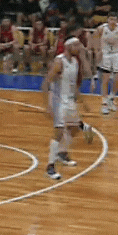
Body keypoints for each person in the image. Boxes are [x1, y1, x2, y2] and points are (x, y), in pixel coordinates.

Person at [42, 37, 94, 181]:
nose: (79, 47)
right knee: (58, 133)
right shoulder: (59, 62)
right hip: (58, 101)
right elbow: (46, 83)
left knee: (75, 128)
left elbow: (73, 85)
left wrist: (83, 101)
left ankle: (62, 153)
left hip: (69, 100)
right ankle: (50, 167)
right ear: (68, 46)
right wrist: (48, 105)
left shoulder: (75, 62)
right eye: (76, 45)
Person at [93, 13, 118, 114]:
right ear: (107, 20)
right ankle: (104, 103)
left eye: (115, 19)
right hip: (105, 54)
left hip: (117, 53)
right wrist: (97, 51)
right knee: (105, 78)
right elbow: (94, 38)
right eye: (111, 19)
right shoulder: (101, 28)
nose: (113, 21)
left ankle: (111, 97)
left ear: (117, 20)